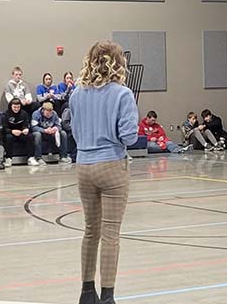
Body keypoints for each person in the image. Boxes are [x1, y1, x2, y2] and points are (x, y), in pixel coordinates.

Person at [69, 40, 139, 304]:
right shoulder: (122, 94)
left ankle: (87, 292)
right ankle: (108, 297)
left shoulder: (77, 94)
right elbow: (129, 136)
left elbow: (75, 132)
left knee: (90, 230)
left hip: (83, 165)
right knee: (110, 233)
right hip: (111, 165)